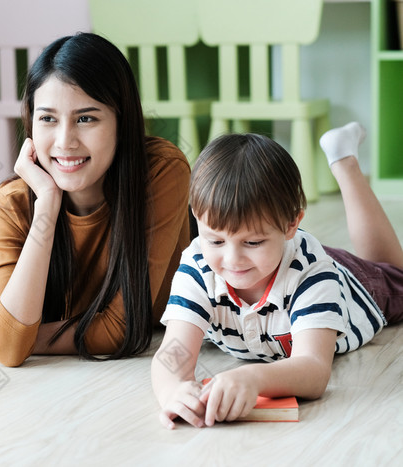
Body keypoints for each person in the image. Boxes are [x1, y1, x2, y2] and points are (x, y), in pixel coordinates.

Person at [0, 32, 192, 366]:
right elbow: (10, 350)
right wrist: (47, 204)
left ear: (121, 122)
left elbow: (121, 329)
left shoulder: (160, 171)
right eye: (48, 119)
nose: (65, 141)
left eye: (86, 118)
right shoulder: (11, 204)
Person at [151, 123, 403, 429]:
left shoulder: (313, 273)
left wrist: (254, 377)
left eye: (252, 242)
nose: (232, 260)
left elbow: (313, 369)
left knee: (396, 272)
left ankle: (344, 161)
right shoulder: (198, 265)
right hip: (283, 261)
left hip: (351, 284)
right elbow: (173, 351)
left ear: (291, 224)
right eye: (216, 241)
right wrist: (173, 389)